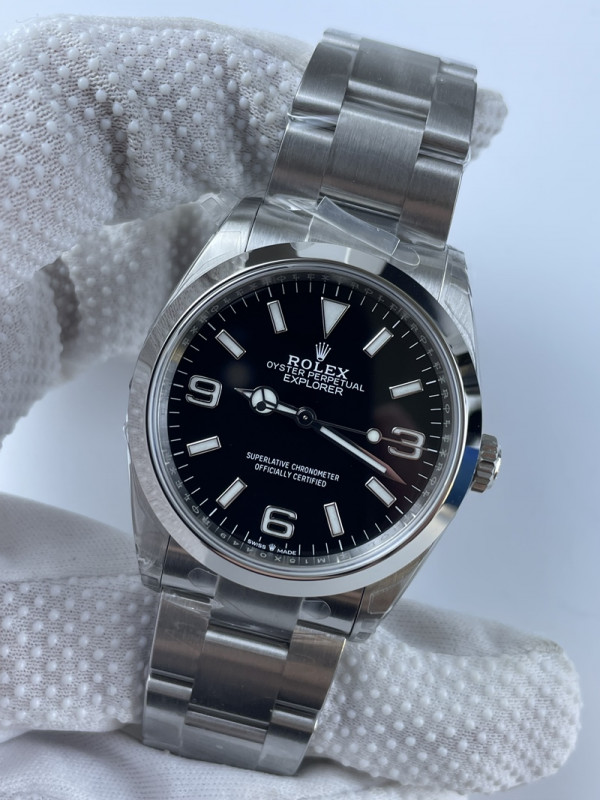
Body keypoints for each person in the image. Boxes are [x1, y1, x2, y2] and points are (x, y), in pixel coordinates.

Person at [0, 15, 580, 799]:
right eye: (293, 409)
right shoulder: (224, 311)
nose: (306, 419)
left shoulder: (433, 332)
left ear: (468, 463)